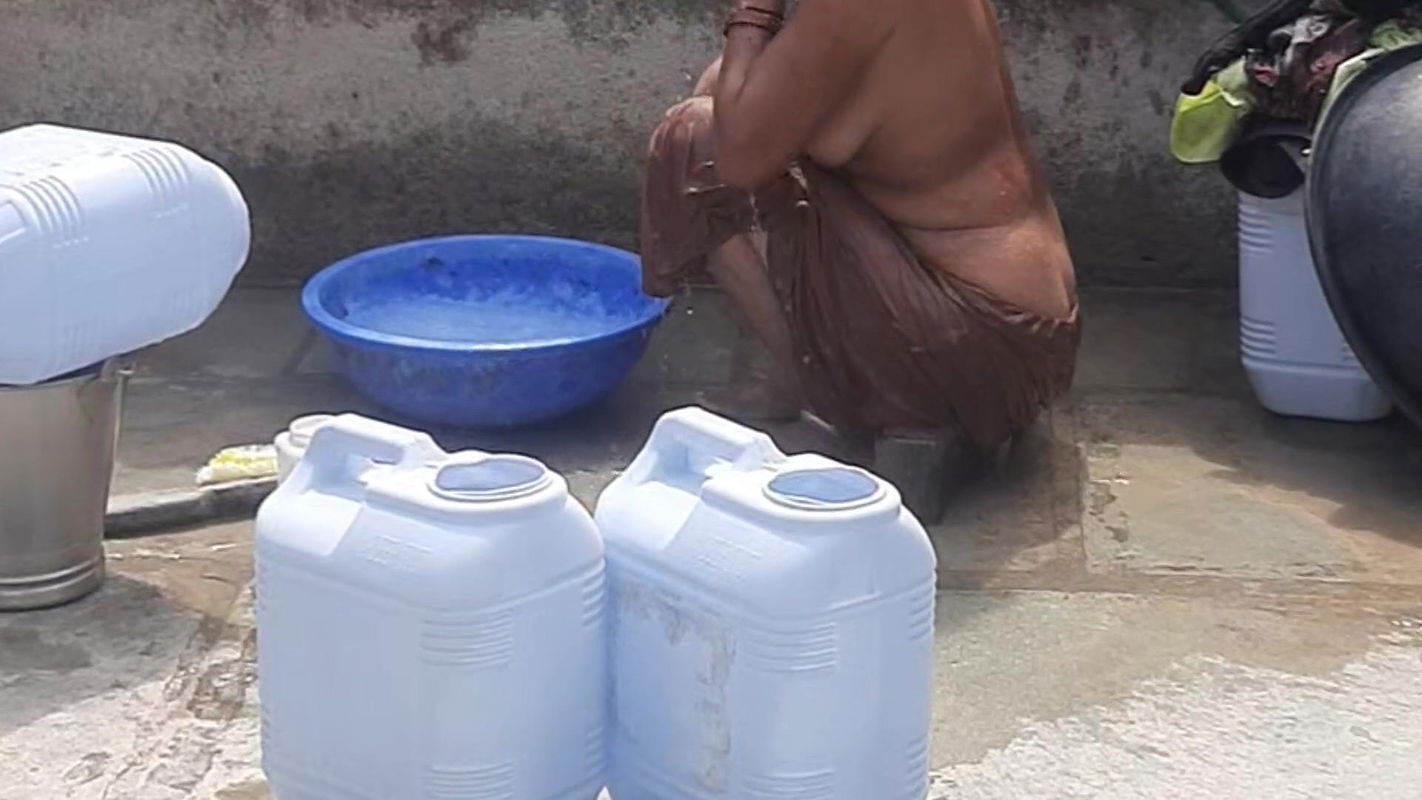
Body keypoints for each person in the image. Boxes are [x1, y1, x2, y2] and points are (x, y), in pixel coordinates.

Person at [640, 0, 1080, 506]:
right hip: (1036, 335)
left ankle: (807, 381)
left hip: (975, 341)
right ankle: (805, 373)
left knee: (690, 141)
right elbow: (727, 89)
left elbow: (735, 154)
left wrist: (753, 11)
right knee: (733, 130)